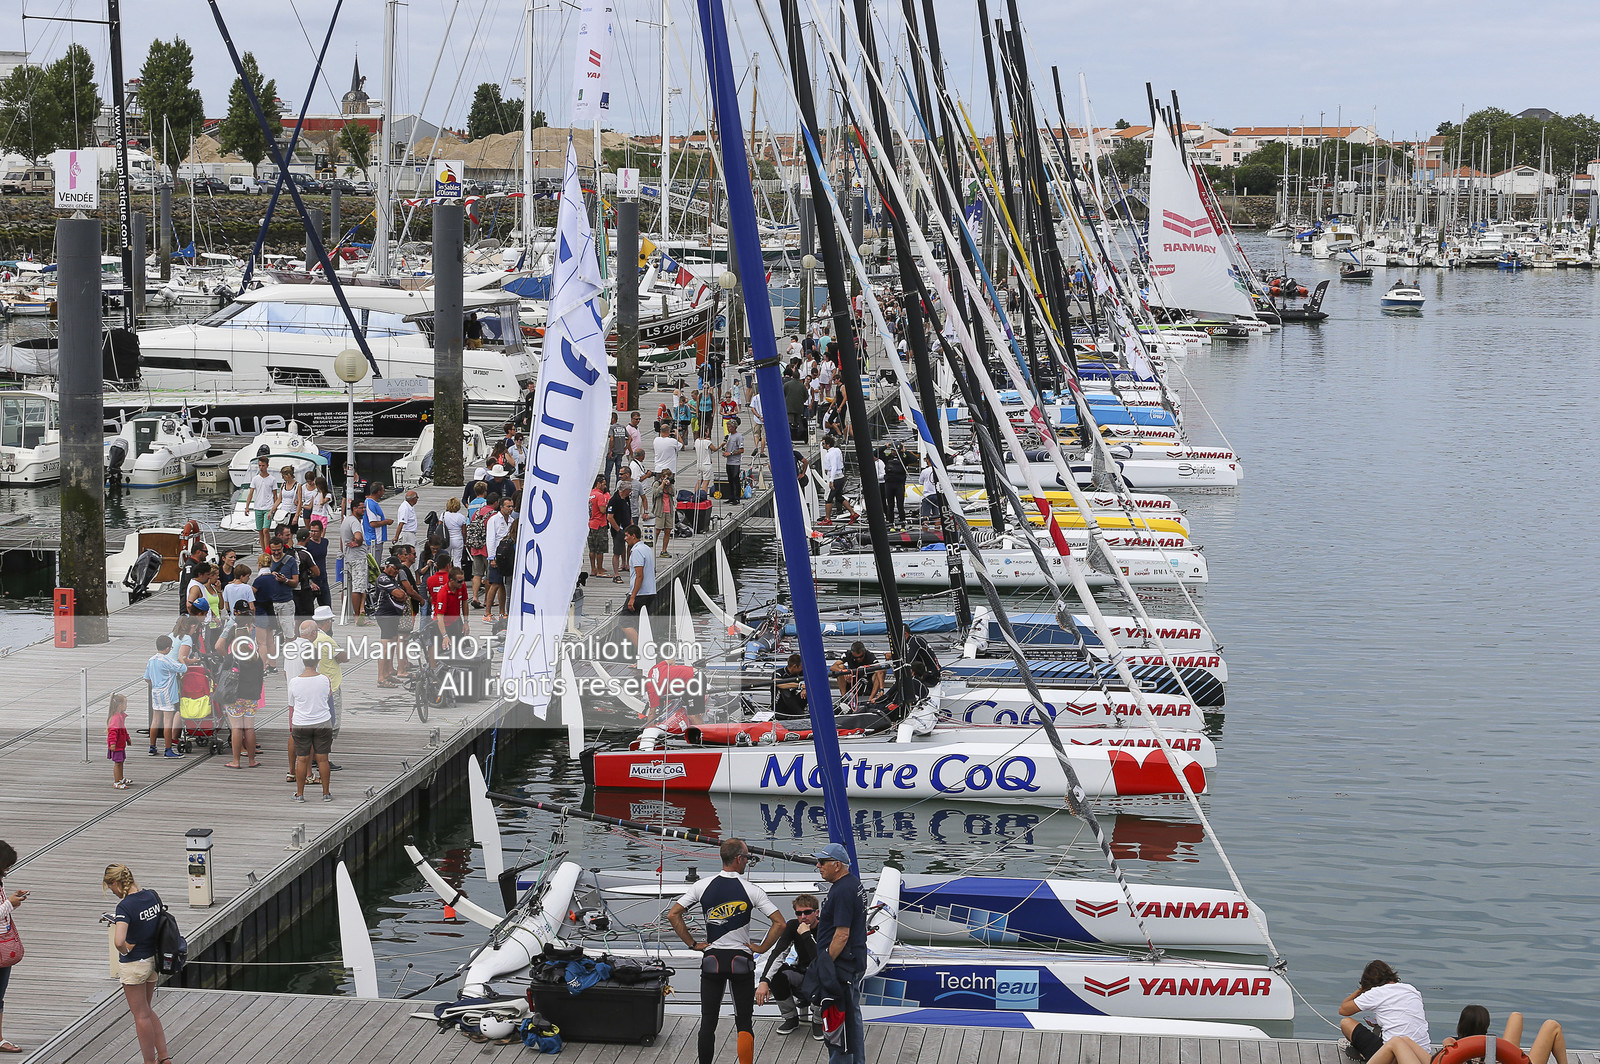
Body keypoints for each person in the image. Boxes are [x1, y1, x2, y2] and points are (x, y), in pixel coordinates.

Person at [667, 839, 786, 1064]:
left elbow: (673, 915)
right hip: (741, 962)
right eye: (748, 858)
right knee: (744, 1023)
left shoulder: (701, 886)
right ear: (739, 859)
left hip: (712, 961)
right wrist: (761, 948)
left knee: (708, 1022)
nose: (748, 862)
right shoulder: (751, 890)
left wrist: (692, 944)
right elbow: (779, 923)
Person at [104, 864, 169, 1064]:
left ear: (115, 883)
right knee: (147, 1010)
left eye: (110, 887)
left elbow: (118, 941)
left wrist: (126, 949)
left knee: (140, 1016)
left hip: (135, 965)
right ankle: (164, 1057)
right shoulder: (151, 896)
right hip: (152, 961)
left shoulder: (124, 906)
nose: (113, 892)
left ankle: (149, 1062)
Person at [810, 842, 867, 1064]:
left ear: (837, 865)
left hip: (841, 966)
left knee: (837, 1022)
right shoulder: (853, 884)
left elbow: (842, 935)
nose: (818, 866)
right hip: (853, 961)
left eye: (822, 862)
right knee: (852, 1021)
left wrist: (823, 964)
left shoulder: (843, 891)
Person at [1339, 960, 1432, 1062]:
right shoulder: (1411, 989)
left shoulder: (1376, 992)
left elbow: (1343, 1010)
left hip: (1393, 1055)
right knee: (1382, 1030)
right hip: (1422, 1053)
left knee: (1346, 1022)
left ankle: (1364, 1053)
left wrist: (1361, 989)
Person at [757, 894, 822, 1036]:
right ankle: (791, 1018)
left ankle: (818, 1021)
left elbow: (820, 961)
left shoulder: (826, 927)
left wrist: (806, 935)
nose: (803, 917)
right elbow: (778, 953)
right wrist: (764, 981)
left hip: (820, 974)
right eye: (799, 913)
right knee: (776, 975)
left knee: (822, 975)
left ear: (816, 913)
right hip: (802, 974)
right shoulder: (793, 926)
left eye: (807, 912)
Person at [285, 648, 333, 802]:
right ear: (318, 661)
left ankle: (300, 794)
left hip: (302, 723)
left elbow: (292, 702)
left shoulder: (294, 681)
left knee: (302, 759)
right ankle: (326, 793)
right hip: (322, 721)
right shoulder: (325, 679)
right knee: (323, 759)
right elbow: (328, 695)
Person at [222, 628, 263, 769]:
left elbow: (223, 675)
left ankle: (236, 761)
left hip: (235, 696)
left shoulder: (232, 657)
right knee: (249, 729)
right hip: (251, 696)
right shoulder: (256, 657)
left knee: (237, 729)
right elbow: (260, 677)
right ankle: (252, 760)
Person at [143, 634, 186, 759]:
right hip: (167, 694)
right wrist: (182, 659)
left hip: (155, 693)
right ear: (167, 648)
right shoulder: (166, 661)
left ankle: (152, 746)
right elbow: (182, 668)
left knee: (155, 720)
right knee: (168, 722)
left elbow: (146, 678)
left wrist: (155, 684)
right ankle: (168, 749)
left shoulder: (151, 660)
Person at [0, 840, 25, 1054]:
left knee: (0, 994)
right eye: (6, 864)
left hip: (3, 945)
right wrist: (9, 903)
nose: (8, 868)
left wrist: (11, 903)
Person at [306, 615, 347, 736]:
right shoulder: (326, 639)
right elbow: (344, 657)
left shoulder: (309, 638)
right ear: (328, 622)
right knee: (332, 719)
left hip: (314, 682)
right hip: (331, 683)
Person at [372, 556, 408, 688]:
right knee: (385, 647)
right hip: (385, 616)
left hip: (393, 615)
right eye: (395, 568)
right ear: (387, 566)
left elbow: (403, 594)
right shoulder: (383, 578)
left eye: (399, 569)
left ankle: (387, 673)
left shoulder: (392, 579)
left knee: (392, 644)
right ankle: (381, 678)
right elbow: (400, 595)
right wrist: (401, 594)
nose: (397, 571)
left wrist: (402, 594)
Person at [621, 524, 656, 658]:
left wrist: (632, 597)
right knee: (643, 625)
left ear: (633, 536)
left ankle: (644, 655)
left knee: (624, 623)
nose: (625, 538)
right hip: (650, 592)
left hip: (640, 594)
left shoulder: (636, 551)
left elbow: (639, 575)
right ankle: (649, 654)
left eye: (627, 536)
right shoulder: (646, 548)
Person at [484, 497, 516, 621]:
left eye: (512, 506)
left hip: (506, 557)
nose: (511, 509)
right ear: (501, 507)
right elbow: (490, 539)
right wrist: (492, 558)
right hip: (496, 555)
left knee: (503, 585)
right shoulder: (494, 520)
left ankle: (502, 612)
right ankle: (487, 613)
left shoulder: (512, 520)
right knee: (495, 583)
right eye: (508, 506)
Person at [340, 496, 369, 624]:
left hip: (349, 557)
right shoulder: (355, 522)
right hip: (357, 558)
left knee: (357, 586)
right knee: (358, 587)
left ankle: (358, 612)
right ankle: (357, 615)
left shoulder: (346, 520)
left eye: (364, 508)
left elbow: (341, 541)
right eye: (361, 508)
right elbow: (358, 536)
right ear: (354, 509)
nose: (363, 510)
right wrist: (358, 542)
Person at [820, 436, 858, 525]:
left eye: (823, 444)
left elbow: (834, 467)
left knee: (828, 499)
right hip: (840, 476)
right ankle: (853, 513)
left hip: (835, 478)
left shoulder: (830, 454)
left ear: (828, 445)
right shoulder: (837, 450)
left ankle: (827, 519)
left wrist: (831, 481)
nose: (822, 445)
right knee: (839, 497)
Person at [247, 455, 280, 554]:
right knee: (260, 531)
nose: (261, 468)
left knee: (266, 530)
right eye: (260, 465)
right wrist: (247, 506)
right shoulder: (255, 479)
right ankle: (264, 551)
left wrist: (275, 508)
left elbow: (275, 495)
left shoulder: (272, 479)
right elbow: (251, 493)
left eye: (263, 465)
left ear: (267, 466)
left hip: (268, 507)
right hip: (258, 507)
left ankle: (267, 550)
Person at [606, 473, 635, 583]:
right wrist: (618, 529)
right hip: (619, 529)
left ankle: (627, 564)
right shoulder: (615, 500)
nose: (630, 492)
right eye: (629, 490)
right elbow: (610, 517)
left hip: (628, 527)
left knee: (631, 547)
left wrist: (631, 523)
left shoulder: (626, 498)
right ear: (624, 490)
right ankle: (616, 574)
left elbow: (628, 511)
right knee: (617, 551)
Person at [587, 475, 611, 578]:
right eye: (604, 484)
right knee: (600, 549)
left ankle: (593, 569)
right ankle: (600, 569)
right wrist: (608, 505)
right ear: (598, 483)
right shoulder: (600, 495)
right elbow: (602, 510)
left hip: (590, 523)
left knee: (592, 549)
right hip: (599, 524)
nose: (605, 486)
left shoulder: (590, 493)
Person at [362, 482, 393, 561]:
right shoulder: (370, 504)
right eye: (383, 490)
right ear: (378, 492)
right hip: (374, 540)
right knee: (375, 565)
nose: (384, 492)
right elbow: (373, 523)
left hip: (377, 541)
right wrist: (386, 521)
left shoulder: (373, 503)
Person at [107, 693, 132, 789]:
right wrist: (112, 743)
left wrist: (127, 738)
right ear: (120, 706)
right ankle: (117, 782)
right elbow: (112, 732)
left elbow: (123, 729)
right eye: (125, 704)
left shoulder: (120, 717)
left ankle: (120, 778)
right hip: (116, 745)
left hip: (120, 744)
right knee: (118, 763)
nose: (126, 706)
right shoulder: (116, 718)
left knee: (121, 761)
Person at [881, 445, 908, 526]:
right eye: (892, 450)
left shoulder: (903, 458)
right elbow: (875, 453)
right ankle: (891, 524)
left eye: (895, 450)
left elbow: (913, 459)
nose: (894, 452)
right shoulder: (887, 458)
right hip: (889, 485)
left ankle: (903, 524)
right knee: (890, 505)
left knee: (900, 506)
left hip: (899, 485)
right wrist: (885, 446)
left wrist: (904, 451)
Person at [440, 497, 470, 570]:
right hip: (458, 539)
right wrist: (465, 541)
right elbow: (464, 532)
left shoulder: (444, 515)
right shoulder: (461, 517)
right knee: (457, 561)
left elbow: (439, 526)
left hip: (446, 540)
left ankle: (446, 575)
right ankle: (457, 576)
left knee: (446, 560)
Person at [721, 417, 744, 504]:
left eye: (730, 427)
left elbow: (741, 450)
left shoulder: (739, 436)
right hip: (729, 461)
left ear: (734, 427)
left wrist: (730, 453)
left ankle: (737, 497)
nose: (728, 429)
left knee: (735, 479)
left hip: (735, 462)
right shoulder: (729, 436)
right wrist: (725, 451)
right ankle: (731, 497)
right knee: (730, 479)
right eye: (728, 427)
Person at [654, 470, 676, 559]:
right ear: (662, 477)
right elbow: (656, 493)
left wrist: (669, 485)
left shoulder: (671, 484)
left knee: (668, 530)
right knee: (657, 531)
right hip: (660, 511)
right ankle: (651, 549)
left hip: (669, 510)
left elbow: (673, 493)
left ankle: (664, 550)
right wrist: (662, 484)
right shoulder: (656, 483)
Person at [605, 411, 629, 488]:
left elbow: (611, 439)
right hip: (620, 452)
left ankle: (607, 489)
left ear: (612, 418)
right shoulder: (623, 427)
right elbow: (629, 438)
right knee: (619, 472)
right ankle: (618, 488)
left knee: (608, 472)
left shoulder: (612, 428)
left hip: (613, 452)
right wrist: (625, 448)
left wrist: (610, 450)